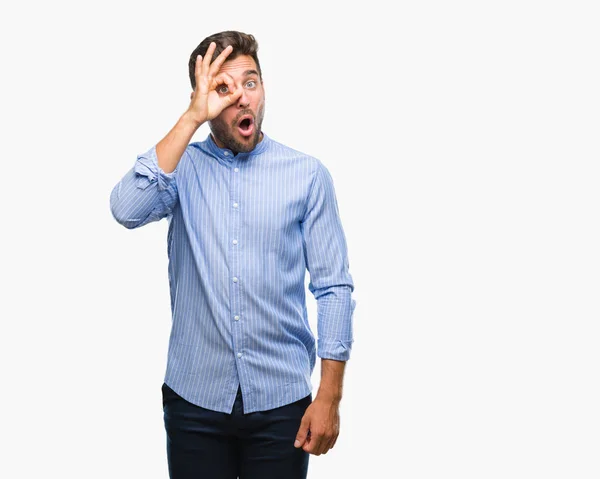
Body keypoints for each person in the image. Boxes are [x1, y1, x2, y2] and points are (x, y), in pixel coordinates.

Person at [110, 30, 356, 479]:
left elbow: (333, 288)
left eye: (251, 81)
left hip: (281, 403)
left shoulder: (306, 175)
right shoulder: (180, 168)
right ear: (203, 99)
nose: (242, 98)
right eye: (223, 88)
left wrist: (329, 397)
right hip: (195, 401)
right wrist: (190, 119)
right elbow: (126, 209)